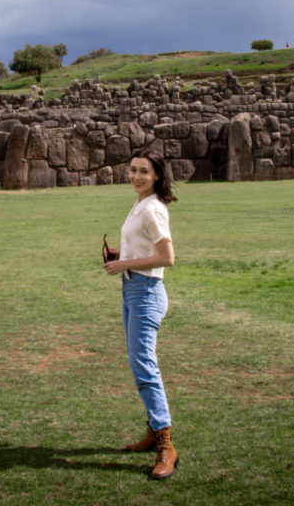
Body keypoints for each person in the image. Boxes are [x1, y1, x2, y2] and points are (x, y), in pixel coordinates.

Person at [102, 148, 179, 480]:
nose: (136, 176)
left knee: (145, 367)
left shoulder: (152, 210)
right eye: (132, 170)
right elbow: (146, 248)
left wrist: (124, 263)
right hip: (132, 289)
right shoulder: (140, 204)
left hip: (146, 292)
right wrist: (125, 255)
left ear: (157, 175)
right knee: (139, 364)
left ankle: (165, 444)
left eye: (144, 172)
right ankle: (153, 430)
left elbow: (167, 257)